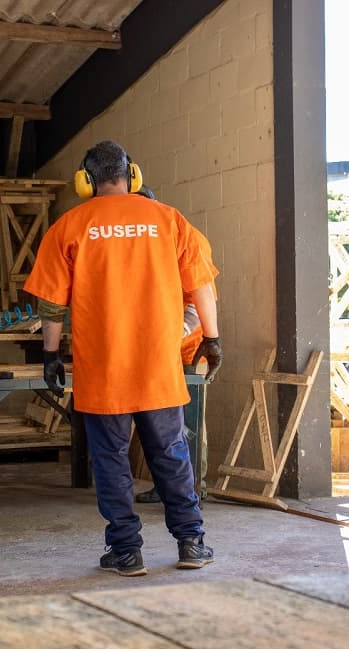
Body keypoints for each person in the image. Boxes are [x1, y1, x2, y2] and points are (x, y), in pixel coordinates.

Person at [24, 140, 223, 576]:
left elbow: (52, 306)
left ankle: (127, 551)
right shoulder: (169, 219)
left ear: (86, 181)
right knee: (171, 452)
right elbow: (202, 285)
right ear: (132, 174)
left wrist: (51, 355)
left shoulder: (70, 225)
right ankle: (191, 542)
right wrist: (212, 338)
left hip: (103, 369)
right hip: (158, 366)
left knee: (111, 459)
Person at [131, 186, 220, 504]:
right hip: (158, 349)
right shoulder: (141, 243)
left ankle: (194, 488)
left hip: (189, 350)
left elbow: (200, 301)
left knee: (188, 424)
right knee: (162, 425)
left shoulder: (186, 237)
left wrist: (168, 337)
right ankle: (166, 486)